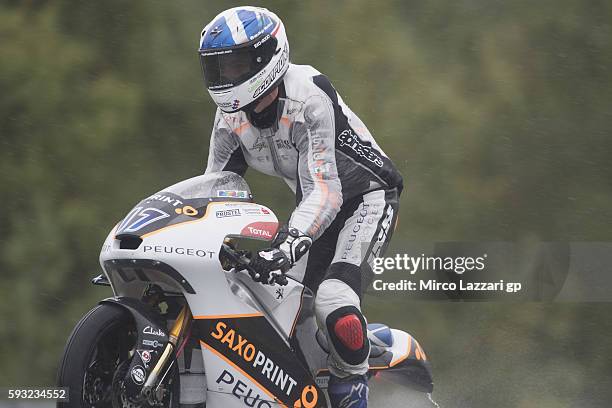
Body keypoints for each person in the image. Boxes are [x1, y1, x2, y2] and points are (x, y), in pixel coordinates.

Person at [199, 7, 403, 407]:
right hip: (314, 204)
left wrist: (290, 241)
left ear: (267, 56)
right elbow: (215, 188)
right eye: (218, 67)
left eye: (235, 63)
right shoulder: (229, 116)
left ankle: (354, 385)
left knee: (332, 301)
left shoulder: (309, 94)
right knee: (279, 305)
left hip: (367, 196)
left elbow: (328, 192)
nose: (226, 77)